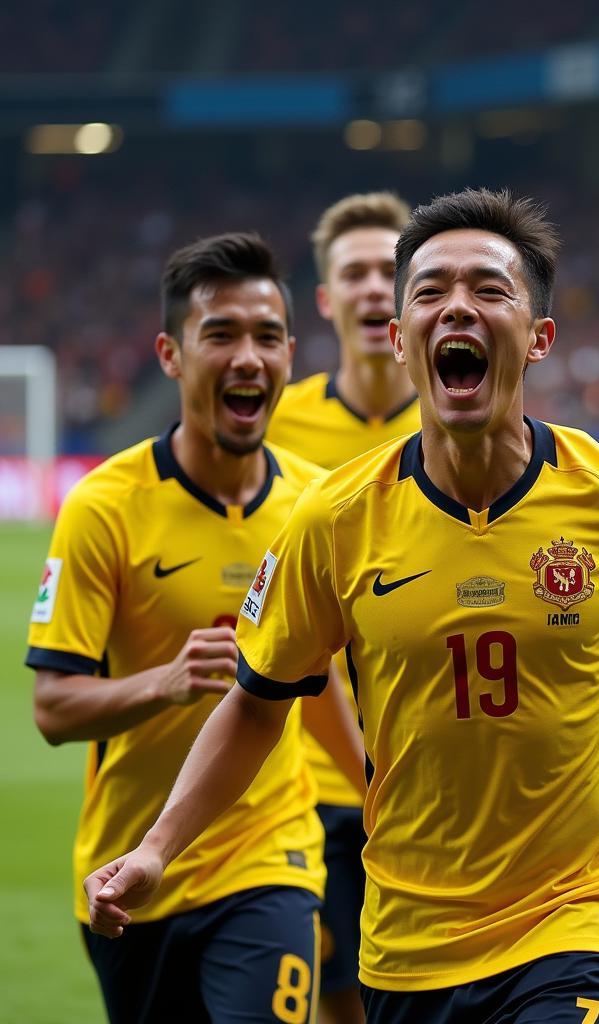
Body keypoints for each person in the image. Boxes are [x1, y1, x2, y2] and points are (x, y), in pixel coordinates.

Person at [83, 190, 599, 1024]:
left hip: (579, 918)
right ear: (399, 339)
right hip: (409, 940)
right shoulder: (334, 520)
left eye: (489, 290)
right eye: (428, 292)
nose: (456, 305)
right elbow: (256, 703)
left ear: (539, 338)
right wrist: (158, 850)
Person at [28, 233, 362, 1024]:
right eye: (221, 335)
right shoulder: (104, 507)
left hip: (270, 858)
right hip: (130, 869)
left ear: (288, 354)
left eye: (268, 337)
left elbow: (313, 685)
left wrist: (377, 794)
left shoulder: (317, 509)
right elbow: (53, 708)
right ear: (172, 357)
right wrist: (166, 682)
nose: (248, 357)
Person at [265, 191, 418, 1024]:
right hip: (306, 782)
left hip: (427, 777)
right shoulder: (273, 429)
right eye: (351, 273)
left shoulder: (463, 424)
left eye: (386, 272)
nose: (370, 289)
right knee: (334, 1005)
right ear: (324, 299)